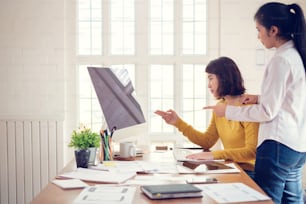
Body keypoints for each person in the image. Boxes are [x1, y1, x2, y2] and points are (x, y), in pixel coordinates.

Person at [204, 2, 306, 203]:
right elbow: (291, 98)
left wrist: (229, 111)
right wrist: (259, 98)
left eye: (259, 30)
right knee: (292, 201)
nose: (258, 36)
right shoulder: (296, 56)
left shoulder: (280, 60)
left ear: (273, 30)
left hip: (277, 144)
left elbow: (267, 112)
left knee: (266, 200)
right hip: (297, 146)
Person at [155, 57, 259, 178]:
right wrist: (177, 122)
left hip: (249, 171)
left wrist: (214, 155)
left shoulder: (249, 107)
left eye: (211, 78)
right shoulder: (220, 107)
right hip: (231, 167)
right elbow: (207, 141)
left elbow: (252, 152)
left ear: (224, 78)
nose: (208, 85)